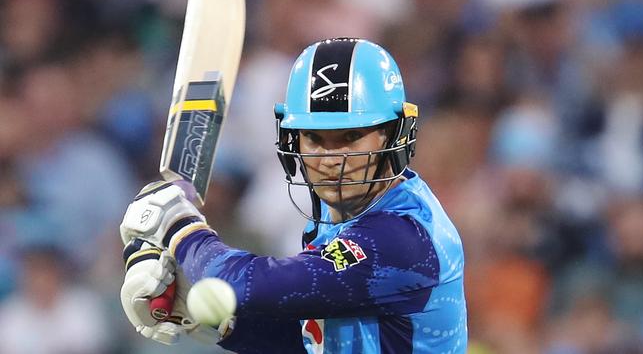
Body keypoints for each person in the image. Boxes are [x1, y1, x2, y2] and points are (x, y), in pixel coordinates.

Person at [119, 38, 467, 353]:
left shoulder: (401, 238)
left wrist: (180, 228)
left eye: (350, 137)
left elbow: (244, 284)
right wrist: (220, 324)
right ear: (292, 142)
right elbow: (309, 343)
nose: (331, 160)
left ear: (394, 136)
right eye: (315, 138)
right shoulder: (341, 220)